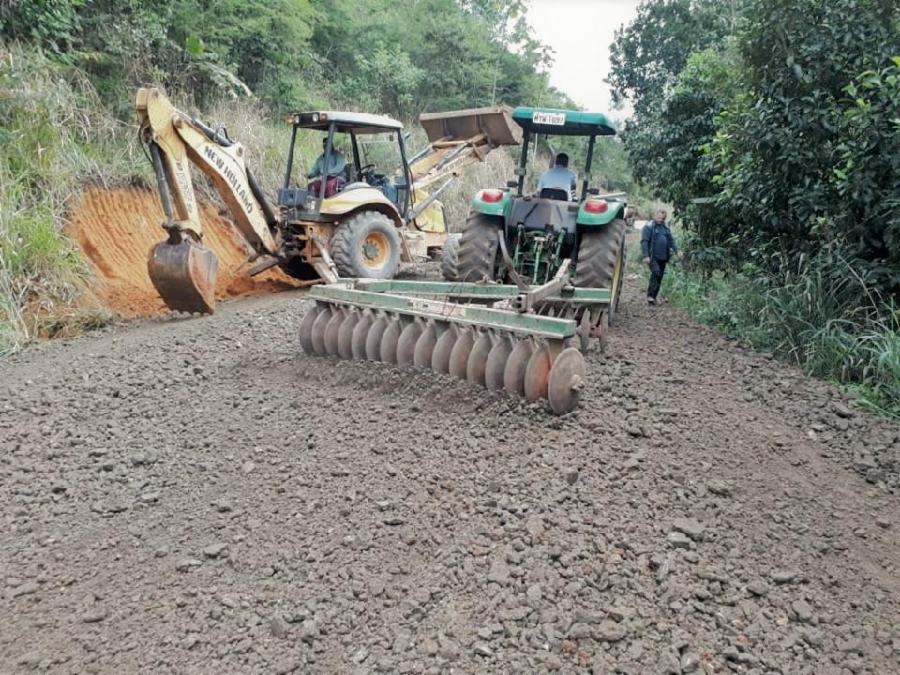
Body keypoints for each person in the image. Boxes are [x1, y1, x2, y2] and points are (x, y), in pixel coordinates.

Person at [641, 210, 678, 305]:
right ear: (655, 215)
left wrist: (677, 250)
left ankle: (653, 297)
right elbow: (644, 242)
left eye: (662, 218)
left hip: (663, 257)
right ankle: (650, 296)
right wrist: (646, 256)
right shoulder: (649, 227)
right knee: (656, 273)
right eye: (659, 217)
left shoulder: (665, 228)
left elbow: (671, 240)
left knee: (660, 277)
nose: (660, 219)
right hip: (653, 256)